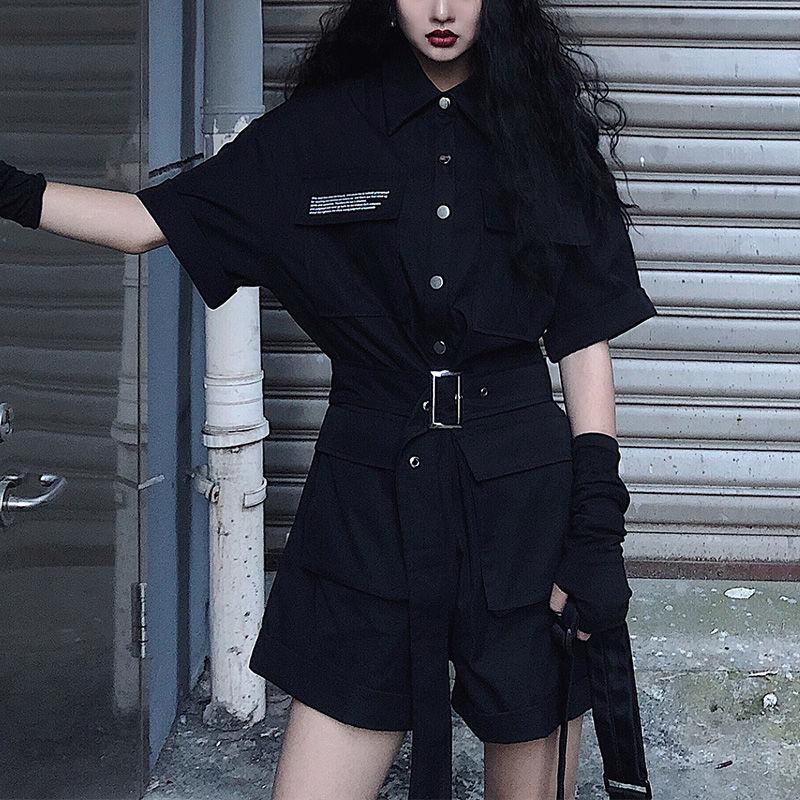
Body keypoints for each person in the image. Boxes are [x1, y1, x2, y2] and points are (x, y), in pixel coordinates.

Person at [1, 1, 658, 798]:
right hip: (368, 497)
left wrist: (597, 530)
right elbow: (145, 221)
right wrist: (13, 192)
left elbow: (584, 342)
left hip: (522, 500)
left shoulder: (545, 132)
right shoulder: (321, 132)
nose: (441, 10)